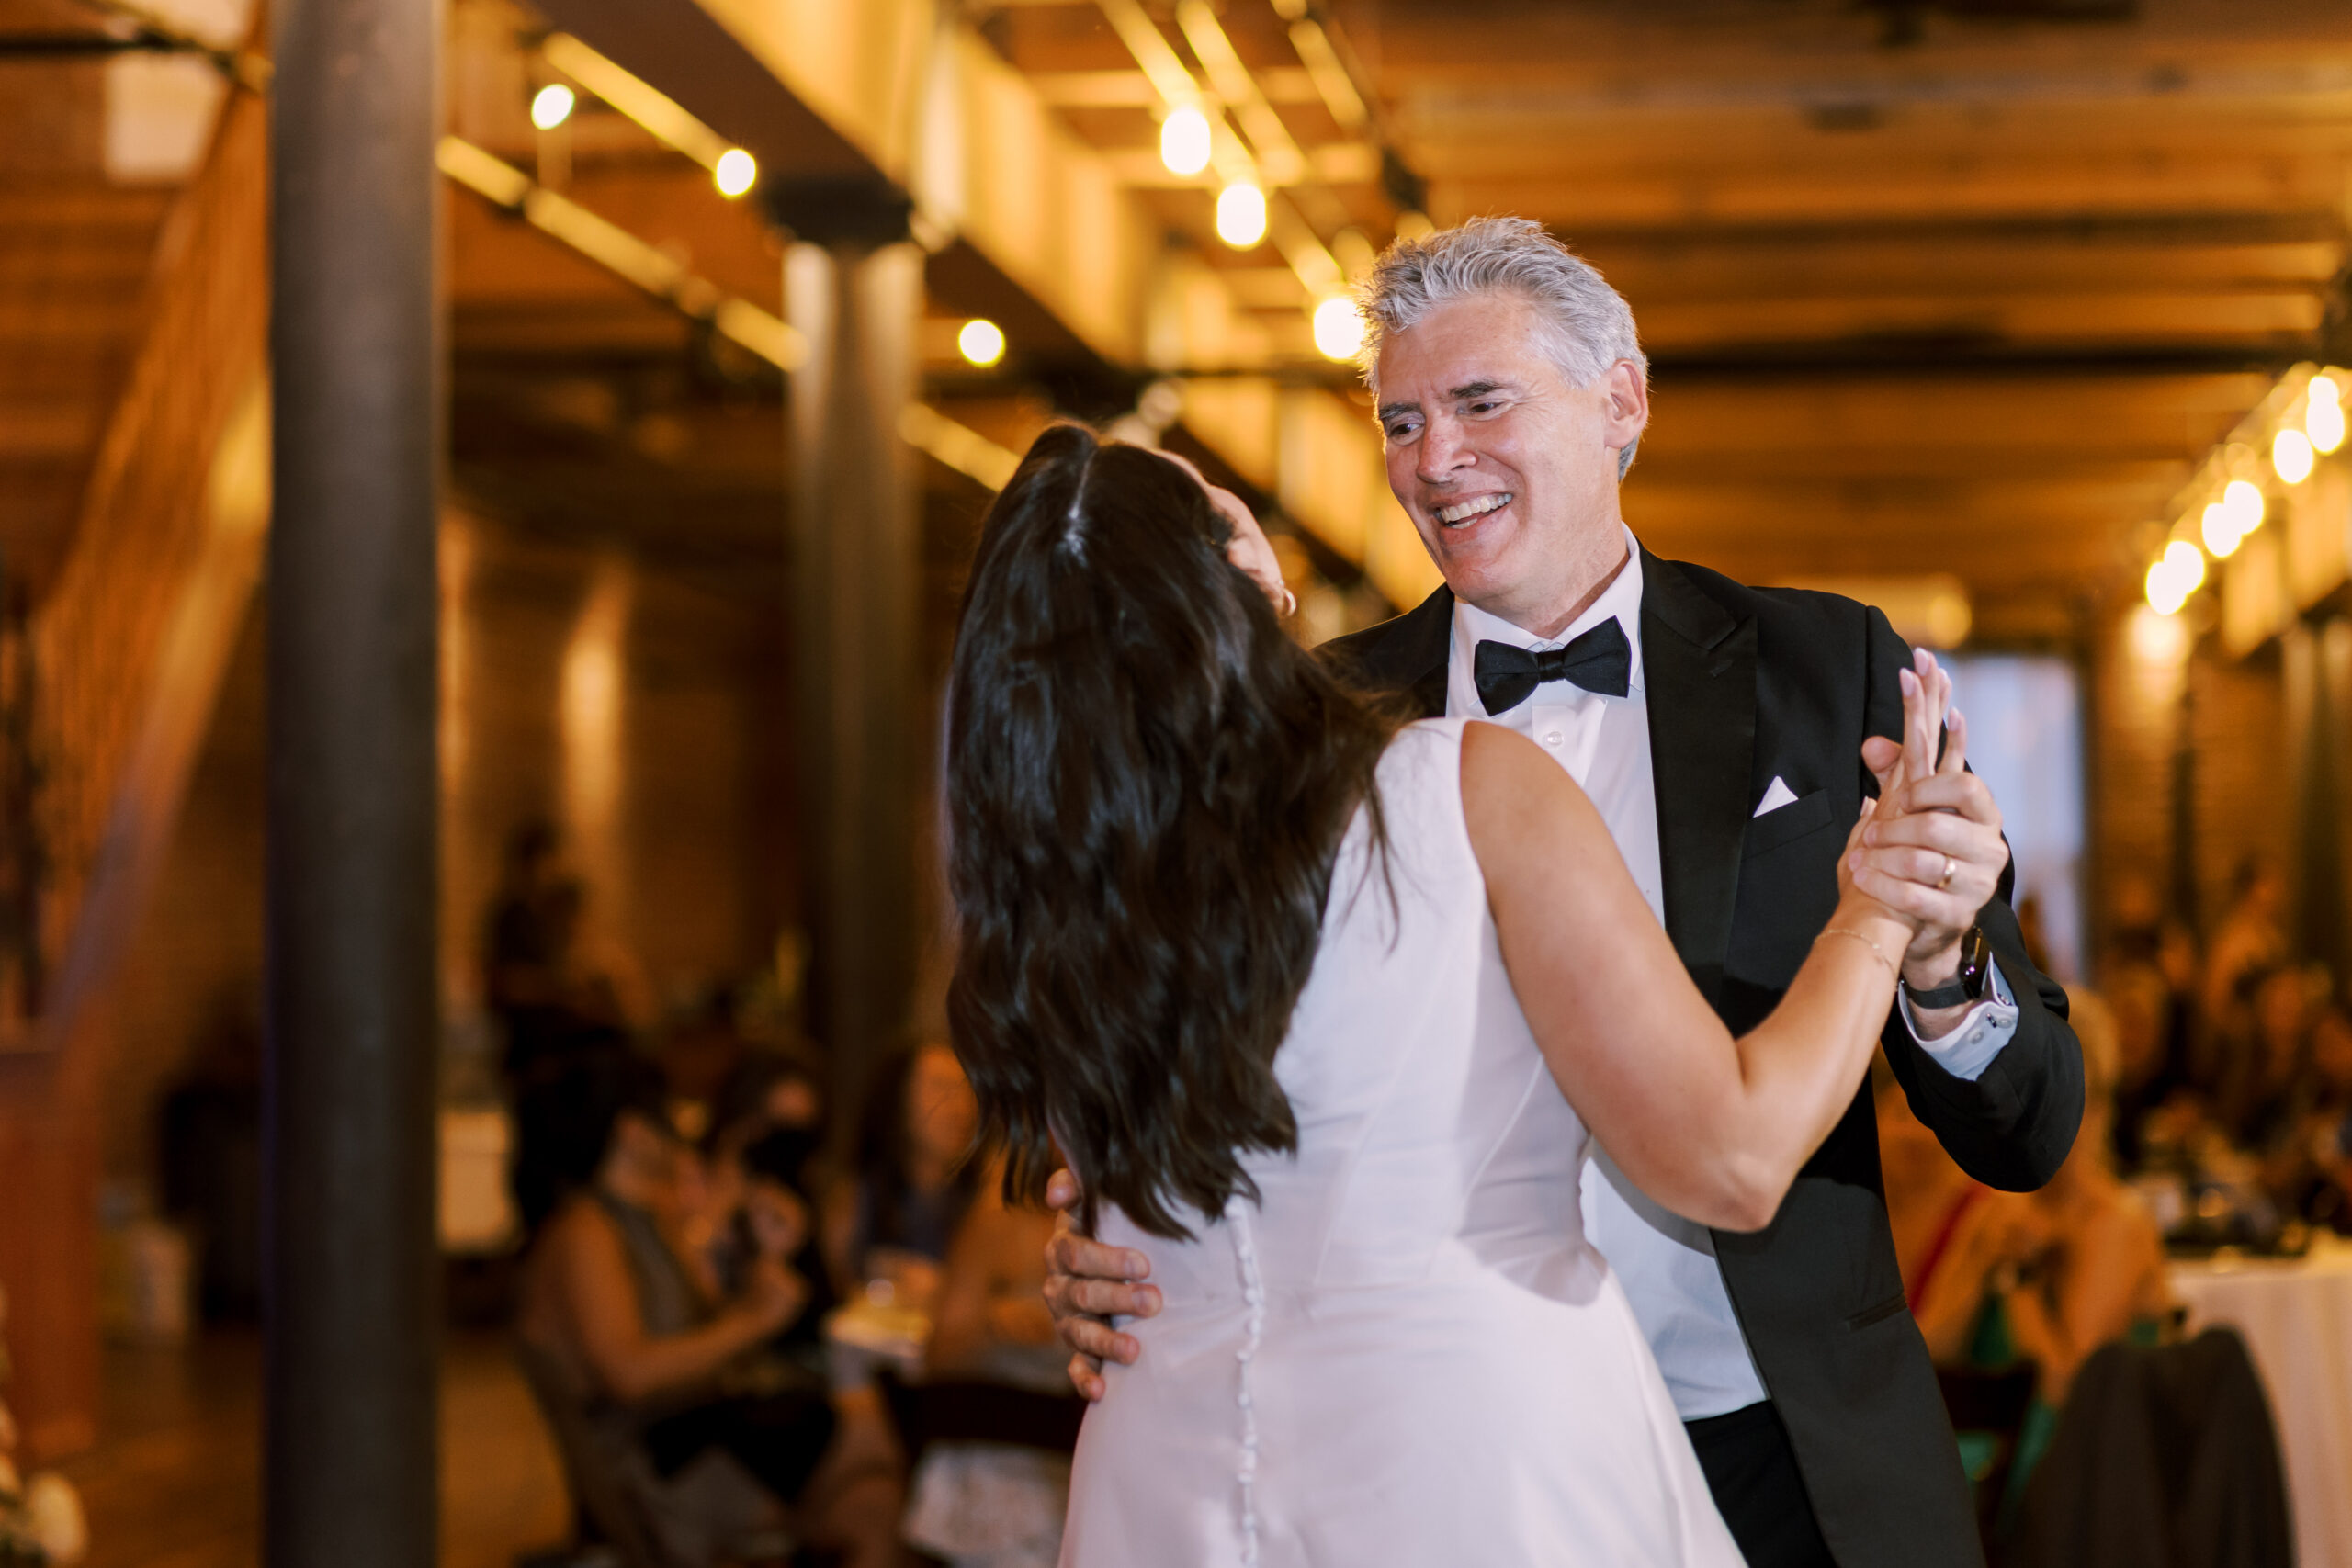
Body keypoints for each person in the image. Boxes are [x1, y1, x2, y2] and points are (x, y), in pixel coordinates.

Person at [1042, 219, 2084, 1568]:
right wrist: (1116, 1235)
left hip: (1787, 1446)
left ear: (1622, 400)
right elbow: (1213, 1060)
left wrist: (1941, 969)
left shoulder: (1821, 666)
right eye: (1402, 420)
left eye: (1480, 402)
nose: (1433, 459)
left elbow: (2032, 1130)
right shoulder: (1318, 721)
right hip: (1444, 1462)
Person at [517, 1058, 902, 1568]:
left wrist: (748, 1254)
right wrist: (754, 1321)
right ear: (632, 1132)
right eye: (669, 1120)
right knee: (876, 1461)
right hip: (665, 1466)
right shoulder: (587, 1232)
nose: (682, 1136)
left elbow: (697, 1321)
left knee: (874, 1500)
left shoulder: (648, 1217)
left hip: (700, 1434)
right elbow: (629, 1374)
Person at [820, 1041, 982, 1313]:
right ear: (898, 1099)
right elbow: (835, 1298)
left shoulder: (984, 1199)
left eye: (968, 1090)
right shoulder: (854, 1197)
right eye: (942, 1087)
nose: (961, 1106)